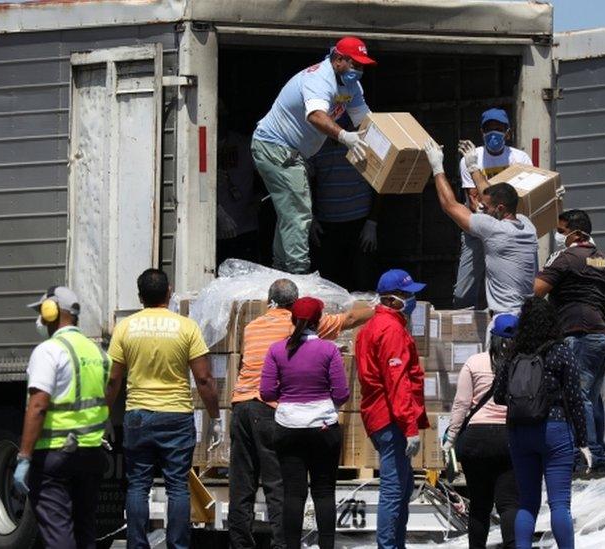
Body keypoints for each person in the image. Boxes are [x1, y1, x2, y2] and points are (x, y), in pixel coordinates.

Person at [228, 279, 373, 549]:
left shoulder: (252, 327)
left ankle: (240, 545)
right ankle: (283, 544)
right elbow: (353, 317)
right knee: (278, 485)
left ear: (270, 300)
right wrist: (381, 306)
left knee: (241, 485)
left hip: (240, 406)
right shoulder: (299, 327)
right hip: (269, 410)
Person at [104, 268, 223, 549]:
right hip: (177, 415)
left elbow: (112, 379)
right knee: (177, 486)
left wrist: (104, 416)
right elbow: (204, 379)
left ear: (140, 296)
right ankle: (178, 546)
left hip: (138, 416)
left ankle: (136, 545)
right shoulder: (186, 327)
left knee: (138, 486)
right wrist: (215, 417)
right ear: (169, 292)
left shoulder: (126, 328)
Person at [252, 36, 375, 274]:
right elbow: (316, 116)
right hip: (275, 146)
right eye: (355, 64)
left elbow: (364, 122)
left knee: (289, 210)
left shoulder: (351, 86)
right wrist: (344, 136)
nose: (358, 71)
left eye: (362, 66)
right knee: (298, 211)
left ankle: (281, 270)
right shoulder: (318, 79)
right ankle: (299, 273)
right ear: (338, 59)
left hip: (294, 152)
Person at [14, 286, 109, 549]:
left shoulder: (49, 350)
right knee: (84, 531)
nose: (40, 320)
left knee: (58, 532)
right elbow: (111, 386)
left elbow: (38, 406)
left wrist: (24, 456)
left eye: (41, 313)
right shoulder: (97, 351)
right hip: (91, 452)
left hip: (54, 455)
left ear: (51, 311)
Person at [493, 297, 590, 549]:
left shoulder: (512, 354)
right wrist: (582, 440)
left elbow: (499, 395)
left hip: (519, 432)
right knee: (559, 503)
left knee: (527, 503)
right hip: (555, 429)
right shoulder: (561, 351)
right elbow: (575, 399)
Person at [259, 297, 349, 549]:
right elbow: (342, 394)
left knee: (293, 493)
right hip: (323, 427)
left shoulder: (277, 350)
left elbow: (266, 392)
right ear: (319, 320)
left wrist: (290, 401)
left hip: (288, 426)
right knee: (323, 491)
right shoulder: (329, 350)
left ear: (292, 319)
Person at [533, 209, 605, 477]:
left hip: (575, 332)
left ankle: (586, 458)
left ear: (576, 232)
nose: (559, 236)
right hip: (602, 333)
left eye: (560, 230)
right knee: (592, 395)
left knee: (577, 396)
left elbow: (537, 290)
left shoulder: (566, 257)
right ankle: (599, 457)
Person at [424, 139, 538, 335]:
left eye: (490, 208)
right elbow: (490, 195)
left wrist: (437, 167)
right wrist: (474, 167)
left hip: (505, 322)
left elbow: (450, 205)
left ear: (501, 209)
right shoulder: (527, 225)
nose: (484, 208)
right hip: (528, 317)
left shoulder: (493, 229)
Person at [355, 269, 430, 549]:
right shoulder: (391, 331)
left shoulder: (371, 328)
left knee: (402, 487)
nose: (412, 300)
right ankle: (389, 546)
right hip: (392, 419)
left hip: (380, 416)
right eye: (408, 295)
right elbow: (397, 382)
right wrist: (410, 427)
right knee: (394, 490)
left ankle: (396, 544)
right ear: (393, 299)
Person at [442, 313, 521, 549]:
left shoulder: (474, 362)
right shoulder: (522, 363)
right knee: (509, 504)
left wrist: (451, 438)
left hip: (476, 440)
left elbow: (461, 404)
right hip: (509, 438)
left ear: (492, 336)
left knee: (479, 505)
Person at [453, 108, 533, 310]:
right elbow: (473, 198)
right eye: (489, 129)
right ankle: (464, 327)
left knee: (516, 285)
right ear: (482, 132)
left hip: (509, 230)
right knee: (463, 291)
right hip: (480, 227)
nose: (494, 133)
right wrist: (479, 206)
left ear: (508, 132)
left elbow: (524, 194)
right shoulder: (471, 158)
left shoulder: (519, 158)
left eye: (499, 129)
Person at [308, 115, 379, 291]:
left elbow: (379, 183)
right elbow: (307, 182)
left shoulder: (361, 141)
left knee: (362, 285)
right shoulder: (315, 144)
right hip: (326, 226)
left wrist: (372, 222)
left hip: (359, 224)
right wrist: (310, 217)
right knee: (329, 285)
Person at [216, 109, 262, 265]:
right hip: (214, 230)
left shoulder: (244, 144)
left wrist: (259, 199)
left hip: (245, 225)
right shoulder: (200, 146)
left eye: (223, 116)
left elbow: (267, 176)